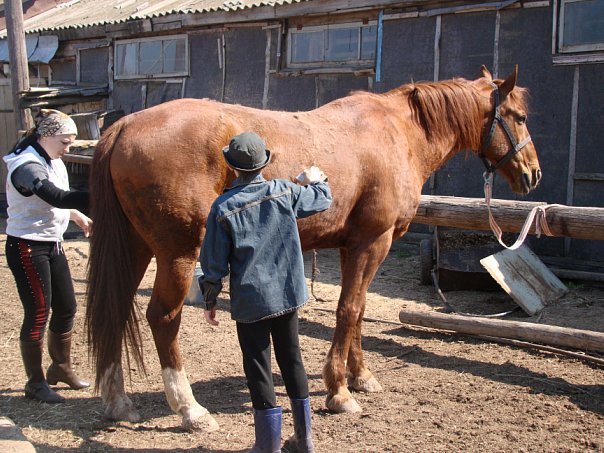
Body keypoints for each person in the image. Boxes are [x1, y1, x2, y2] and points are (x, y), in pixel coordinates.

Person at [199, 131, 332, 453]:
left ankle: (267, 445)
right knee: (292, 360)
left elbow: (213, 263)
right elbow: (323, 198)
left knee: (258, 365)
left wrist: (210, 298)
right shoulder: (285, 191)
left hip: (252, 299)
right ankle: (304, 440)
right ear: (265, 163)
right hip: (288, 294)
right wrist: (316, 178)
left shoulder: (223, 207)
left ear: (232, 167)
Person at [4, 109, 92, 404]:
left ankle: (60, 367)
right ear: (46, 136)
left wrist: (75, 214)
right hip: (27, 246)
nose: (68, 149)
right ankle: (35, 382)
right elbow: (53, 196)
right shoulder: (26, 166)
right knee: (38, 312)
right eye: (65, 142)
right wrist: (101, 194)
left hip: (51, 243)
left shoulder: (51, 158)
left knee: (66, 306)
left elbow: (57, 201)